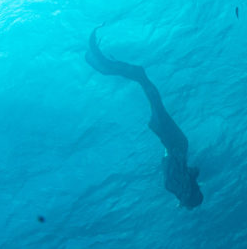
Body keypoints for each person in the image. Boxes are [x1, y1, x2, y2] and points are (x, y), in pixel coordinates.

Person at [85, 26, 204, 208]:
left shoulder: (178, 184)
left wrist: (191, 171)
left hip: (173, 141)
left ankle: (104, 66)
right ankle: (105, 65)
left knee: (144, 81)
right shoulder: (174, 185)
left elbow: (179, 165)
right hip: (169, 141)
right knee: (145, 84)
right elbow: (176, 166)